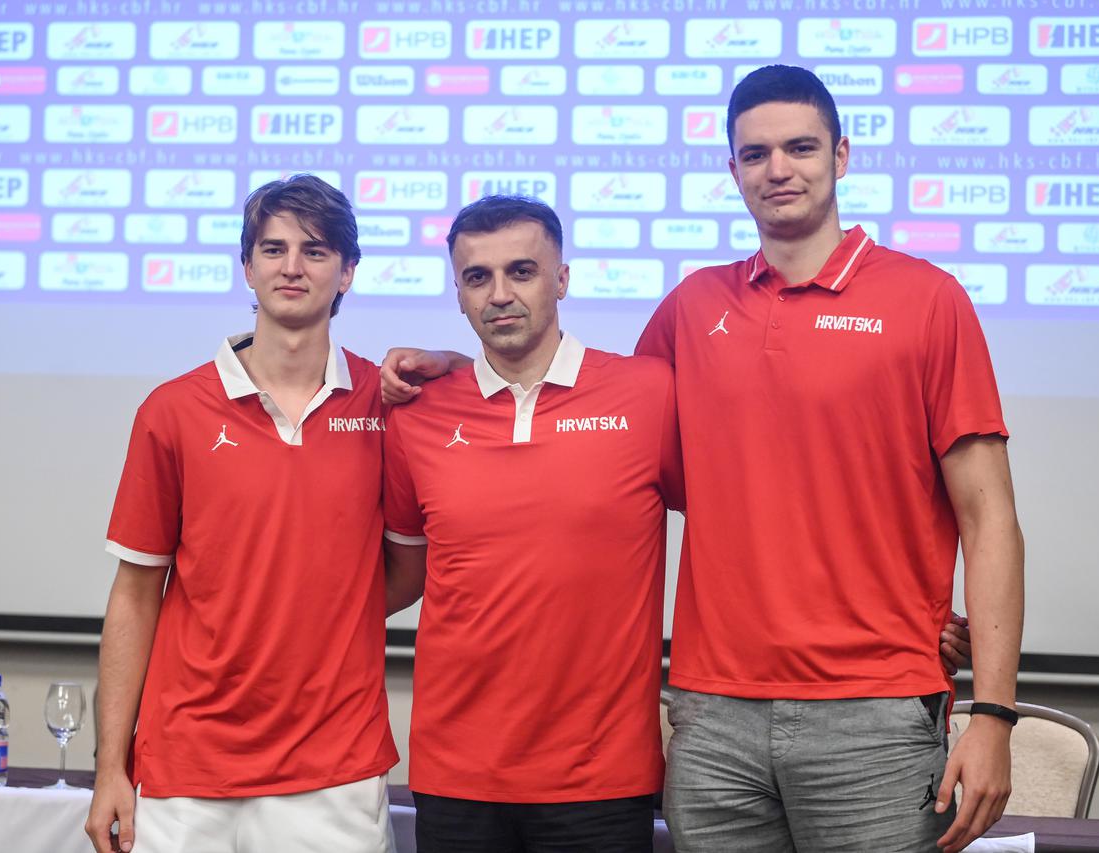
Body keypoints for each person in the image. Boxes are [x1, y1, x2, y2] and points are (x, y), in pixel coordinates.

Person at [383, 64, 1010, 853]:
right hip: (714, 717)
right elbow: (578, 419)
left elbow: (990, 517)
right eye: (755, 153)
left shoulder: (929, 297)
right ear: (732, 169)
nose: (777, 169)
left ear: (842, 155)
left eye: (800, 147)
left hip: (873, 709)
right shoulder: (691, 309)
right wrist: (461, 371)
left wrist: (995, 708)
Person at [85, 175, 398, 853]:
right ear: (247, 267)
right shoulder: (172, 410)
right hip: (187, 766)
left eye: (315, 251)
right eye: (274, 249)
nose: (292, 267)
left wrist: (319, 605)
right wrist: (110, 767)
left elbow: (406, 570)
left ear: (347, 272)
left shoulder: (385, 404)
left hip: (334, 769)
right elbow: (135, 595)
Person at [382, 195, 686, 851]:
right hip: (456, 773)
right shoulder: (416, 414)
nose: (500, 294)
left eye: (521, 271)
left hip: (602, 777)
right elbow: (399, 574)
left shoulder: (650, 393)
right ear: (459, 294)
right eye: (478, 277)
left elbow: (739, 522)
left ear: (562, 279)